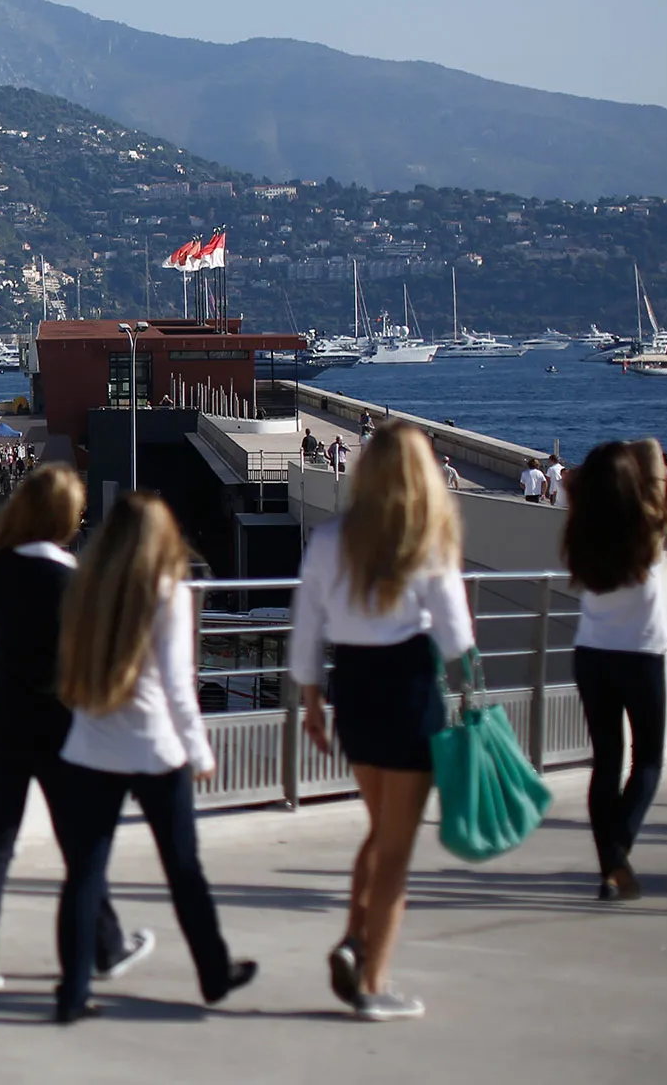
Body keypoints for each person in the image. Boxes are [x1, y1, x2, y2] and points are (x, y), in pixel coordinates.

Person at [291, 421, 474, 1021]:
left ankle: (352, 942)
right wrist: (471, 692)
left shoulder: (330, 538)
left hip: (354, 688)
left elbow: (308, 624)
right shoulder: (427, 539)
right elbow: (454, 636)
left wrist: (312, 698)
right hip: (410, 688)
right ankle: (372, 980)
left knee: (379, 830)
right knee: (396, 847)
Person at [52, 494, 256, 1024]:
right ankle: (213, 973)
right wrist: (200, 750)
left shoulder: (86, 588)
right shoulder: (167, 593)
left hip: (91, 747)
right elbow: (179, 688)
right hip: (154, 748)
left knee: (84, 875)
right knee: (184, 868)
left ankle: (72, 993)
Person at [0, 465, 152, 994]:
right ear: (69, 516)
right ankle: (105, 948)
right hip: (58, 727)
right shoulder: (73, 580)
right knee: (80, 846)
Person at [563, 441, 667, 901]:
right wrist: (631, 456)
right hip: (641, 654)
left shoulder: (580, 527)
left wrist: (603, 463)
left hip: (591, 653)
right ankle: (615, 857)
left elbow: (573, 479)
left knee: (606, 763)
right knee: (647, 760)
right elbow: (652, 447)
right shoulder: (649, 523)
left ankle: (611, 864)